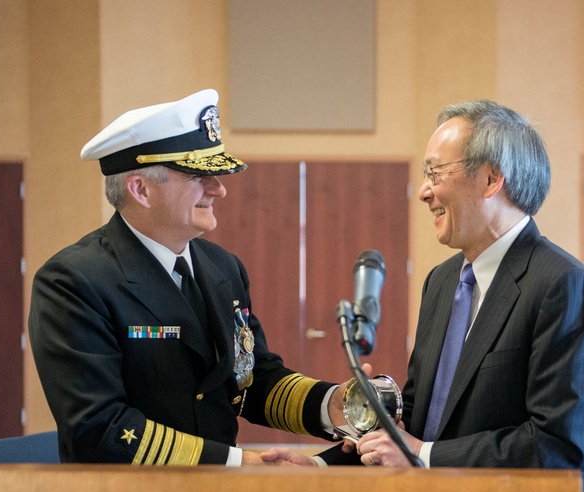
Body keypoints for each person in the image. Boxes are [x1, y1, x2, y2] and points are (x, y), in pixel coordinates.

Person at [264, 99, 584, 492]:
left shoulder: (559, 284)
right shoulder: (440, 284)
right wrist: (320, 467)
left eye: (435, 173)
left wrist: (422, 455)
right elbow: (411, 420)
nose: (424, 191)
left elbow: (557, 446)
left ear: (490, 179)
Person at [28, 89, 359, 466]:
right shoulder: (74, 282)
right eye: (199, 176)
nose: (219, 189)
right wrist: (237, 465)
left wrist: (329, 404)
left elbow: (250, 380)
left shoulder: (223, 267)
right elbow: (100, 427)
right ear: (141, 189)